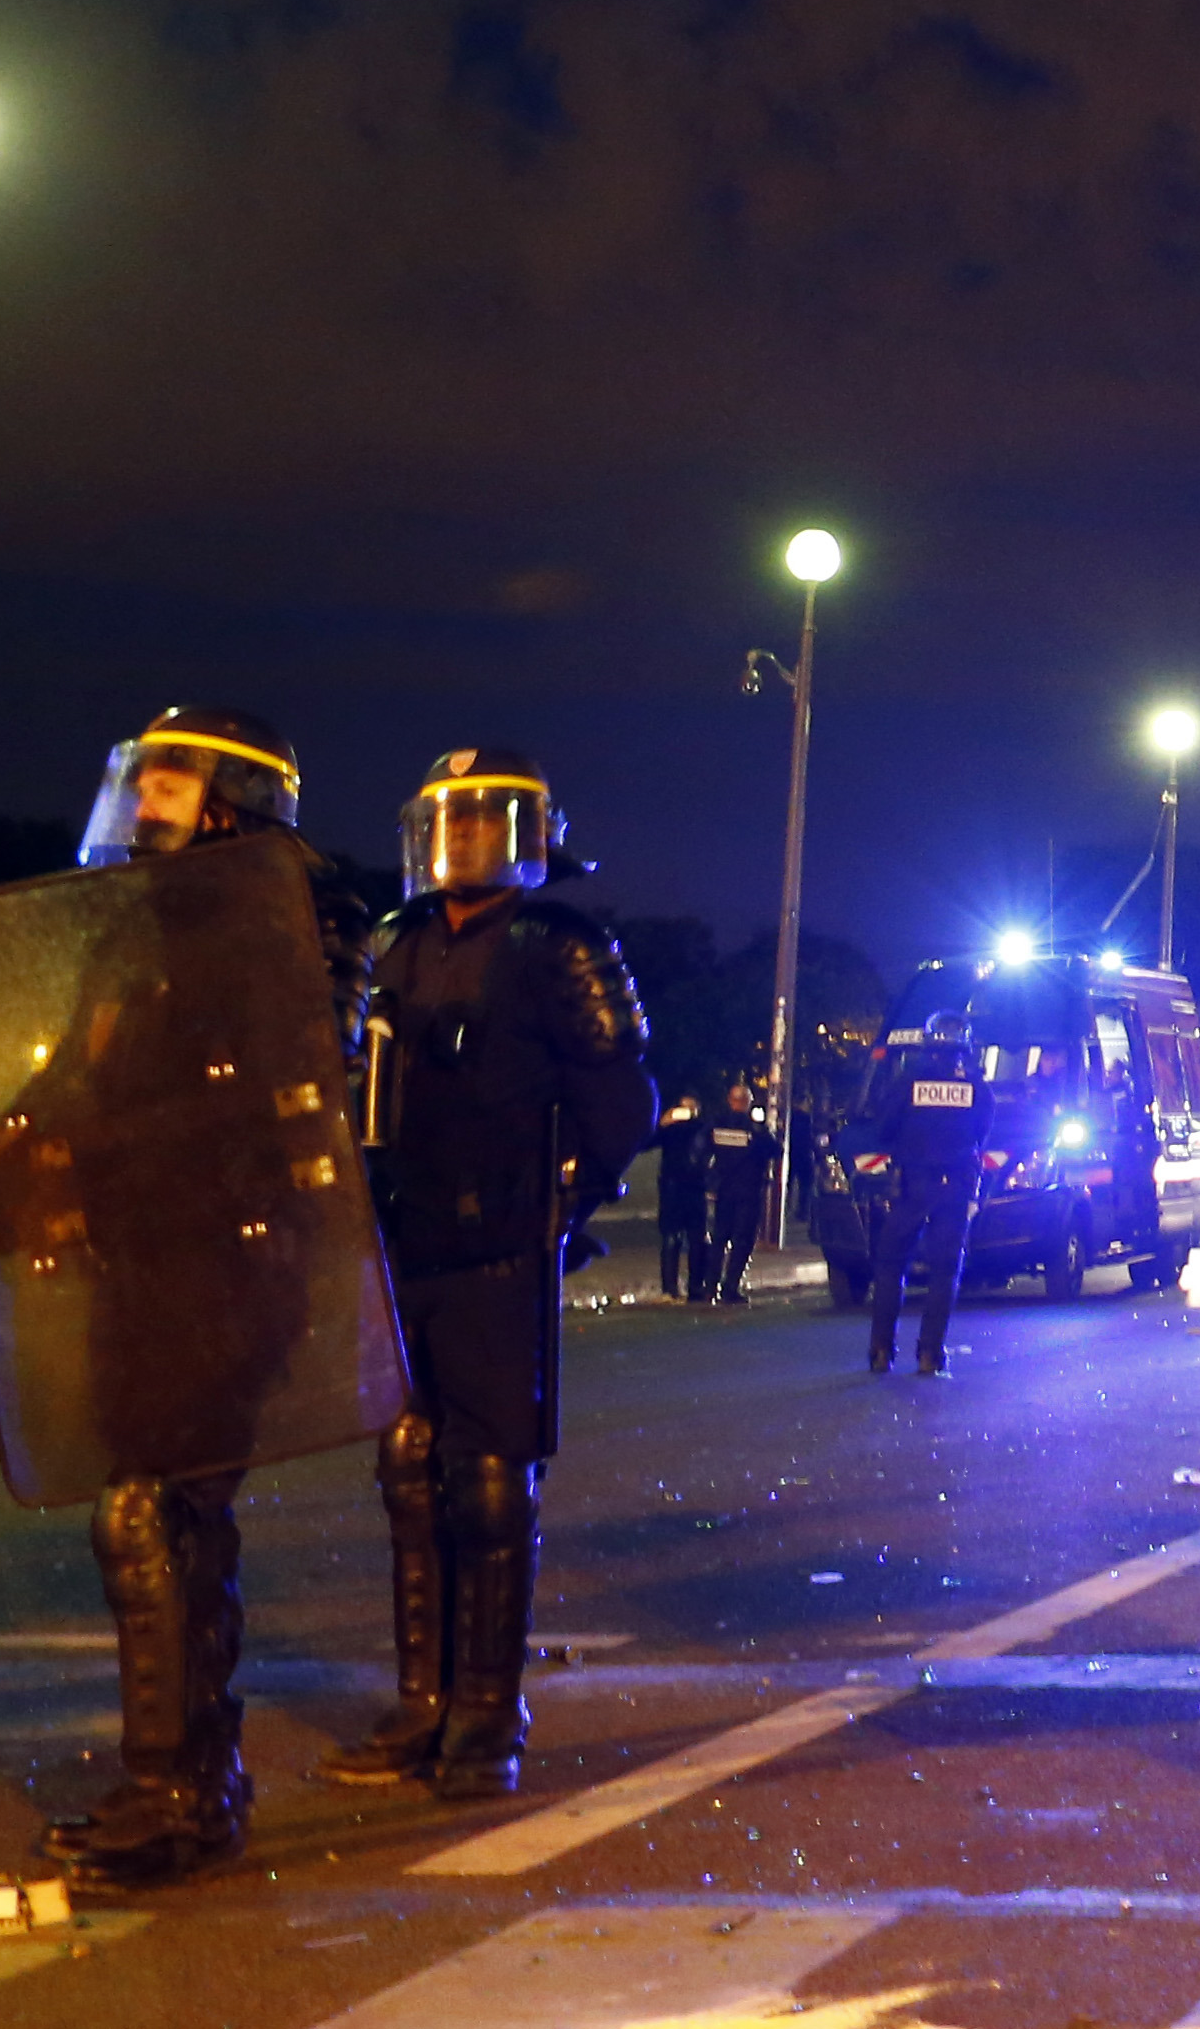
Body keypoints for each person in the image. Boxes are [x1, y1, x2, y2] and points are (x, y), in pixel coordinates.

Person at [0, 709, 373, 1894]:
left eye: (166, 778)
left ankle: (174, 1794)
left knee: (152, 1515)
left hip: (231, 1256)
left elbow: (294, 1088)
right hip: (141, 1254)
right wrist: (10, 1135)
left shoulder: (294, 922)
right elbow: (82, 1063)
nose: (141, 797)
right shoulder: (130, 923)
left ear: (227, 799)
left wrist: (113, 1134)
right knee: (168, 1522)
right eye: (137, 776)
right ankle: (195, 1787)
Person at [318, 749, 655, 1802]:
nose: (462, 838)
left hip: (502, 1247)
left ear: (530, 833)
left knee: (492, 1482)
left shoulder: (563, 941)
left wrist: (559, 1206)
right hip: (401, 1239)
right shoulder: (393, 941)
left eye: (483, 820)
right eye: (448, 820)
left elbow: (621, 1098)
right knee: (408, 1474)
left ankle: (485, 1714)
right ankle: (421, 1703)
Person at [857, 1007, 991, 1373]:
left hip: (911, 1185)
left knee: (890, 1266)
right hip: (956, 1187)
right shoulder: (976, 1085)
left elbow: (884, 1129)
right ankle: (931, 1353)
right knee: (945, 1271)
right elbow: (982, 1133)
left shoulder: (907, 1081)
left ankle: (881, 1350)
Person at [702, 1076, 775, 1304]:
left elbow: (703, 1150)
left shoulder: (716, 1125)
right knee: (742, 1241)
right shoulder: (755, 1129)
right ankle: (730, 1288)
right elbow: (775, 1150)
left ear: (729, 1100)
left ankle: (709, 1286)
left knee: (719, 1239)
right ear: (747, 1102)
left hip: (724, 1191)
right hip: (748, 1192)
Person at [652, 1096, 710, 1300]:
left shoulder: (702, 1128)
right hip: (678, 1189)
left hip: (684, 1188)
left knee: (693, 1240)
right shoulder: (672, 1129)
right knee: (675, 1239)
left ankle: (688, 1287)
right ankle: (676, 1288)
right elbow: (647, 1142)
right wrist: (663, 1124)